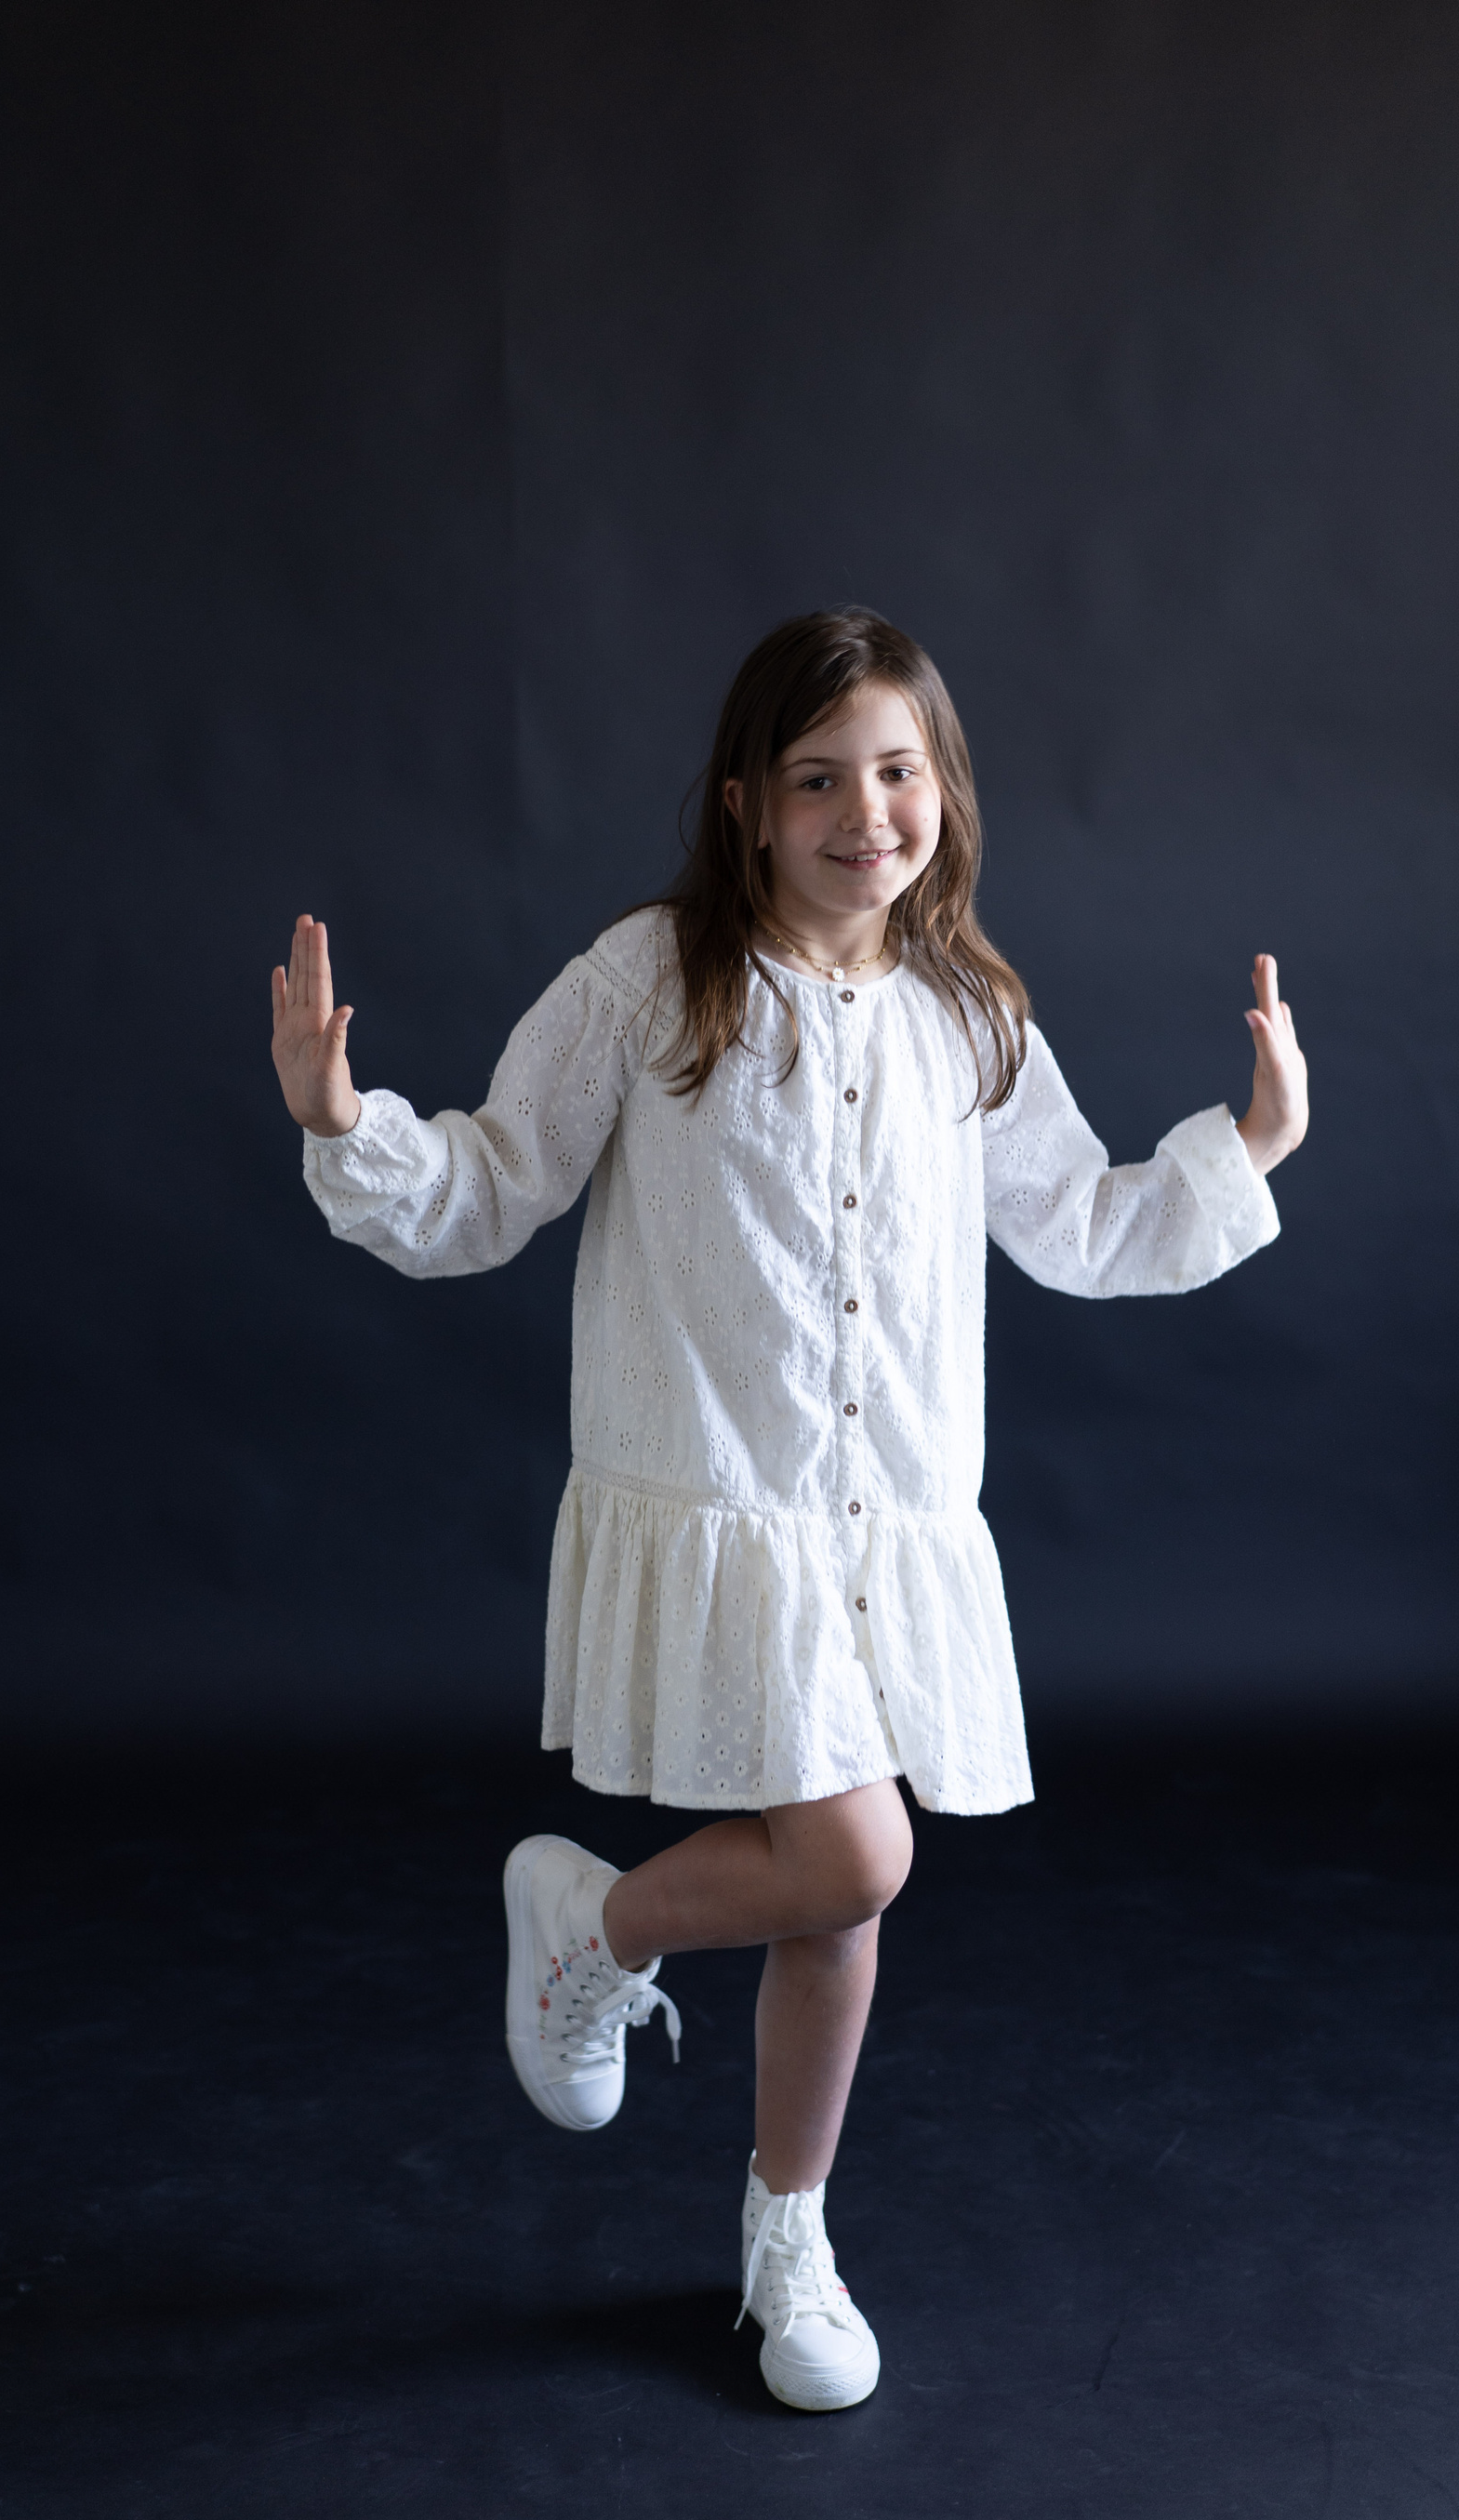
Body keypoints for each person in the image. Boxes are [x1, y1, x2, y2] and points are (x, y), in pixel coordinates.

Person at [269, 608, 1307, 2413]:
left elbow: (1080, 1219)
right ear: (747, 800)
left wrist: (1248, 1150)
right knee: (855, 1857)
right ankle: (596, 1927)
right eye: (818, 779)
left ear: (942, 790)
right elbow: (493, 1181)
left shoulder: (969, 1014)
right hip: (726, 1512)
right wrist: (347, 1123)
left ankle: (786, 2232)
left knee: (838, 1911)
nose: (863, 813)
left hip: (886, 1525)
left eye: (895, 772)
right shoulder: (651, 980)